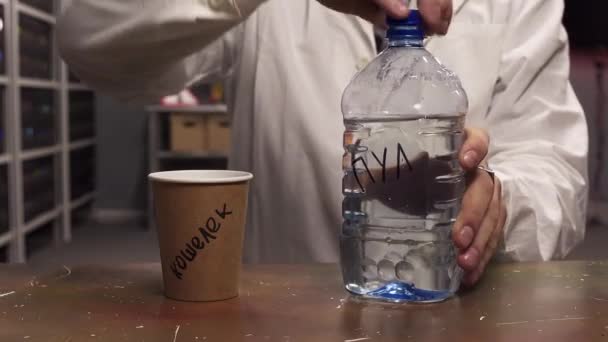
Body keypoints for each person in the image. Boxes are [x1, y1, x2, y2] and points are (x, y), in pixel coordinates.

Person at [57, 0, 588, 286]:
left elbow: (557, 171)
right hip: (277, 320)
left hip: (451, 314)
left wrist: (500, 201)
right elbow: (88, 35)